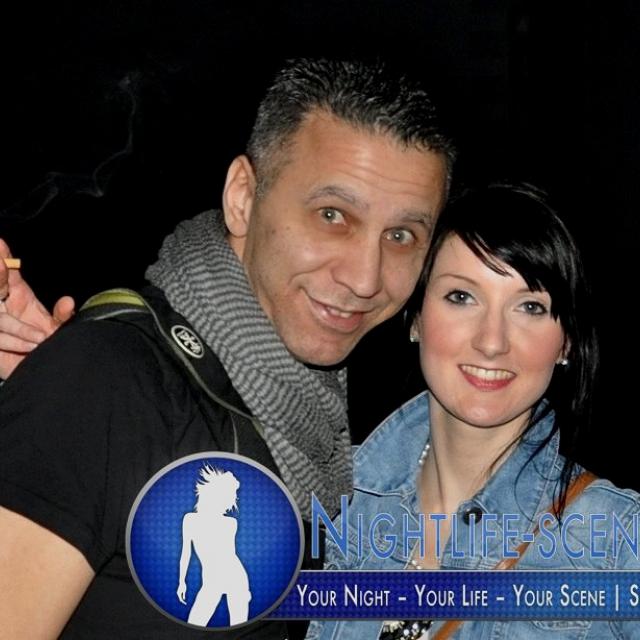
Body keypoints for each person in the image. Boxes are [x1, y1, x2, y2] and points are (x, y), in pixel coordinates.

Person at [0, 57, 452, 638]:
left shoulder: (322, 428)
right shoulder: (108, 377)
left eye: (401, 236)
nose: (366, 277)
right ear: (242, 197)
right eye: (332, 215)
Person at [307, 183, 640, 640]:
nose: (492, 341)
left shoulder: (614, 541)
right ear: (416, 316)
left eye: (530, 307)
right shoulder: (329, 500)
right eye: (462, 297)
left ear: (565, 342)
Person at [177, 466, 251, 626]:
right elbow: (185, 554)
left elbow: (229, 555)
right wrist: (182, 582)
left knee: (239, 628)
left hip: (235, 577)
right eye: (230, 495)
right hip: (212, 580)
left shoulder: (231, 523)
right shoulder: (190, 520)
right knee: (194, 624)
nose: (232, 501)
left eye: (232, 496)